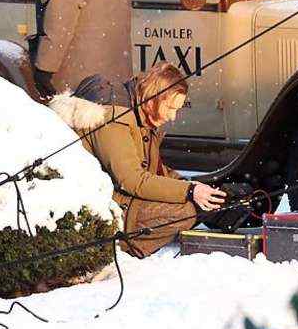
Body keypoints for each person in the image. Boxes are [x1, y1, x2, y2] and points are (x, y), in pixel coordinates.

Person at [49, 62, 227, 257]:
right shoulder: (115, 117)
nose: (173, 117)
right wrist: (190, 191)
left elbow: (156, 170)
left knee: (197, 204)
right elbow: (132, 180)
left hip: (119, 196)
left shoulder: (140, 115)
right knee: (185, 212)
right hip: (104, 205)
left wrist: (196, 188)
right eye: (170, 107)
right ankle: (122, 248)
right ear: (152, 99)